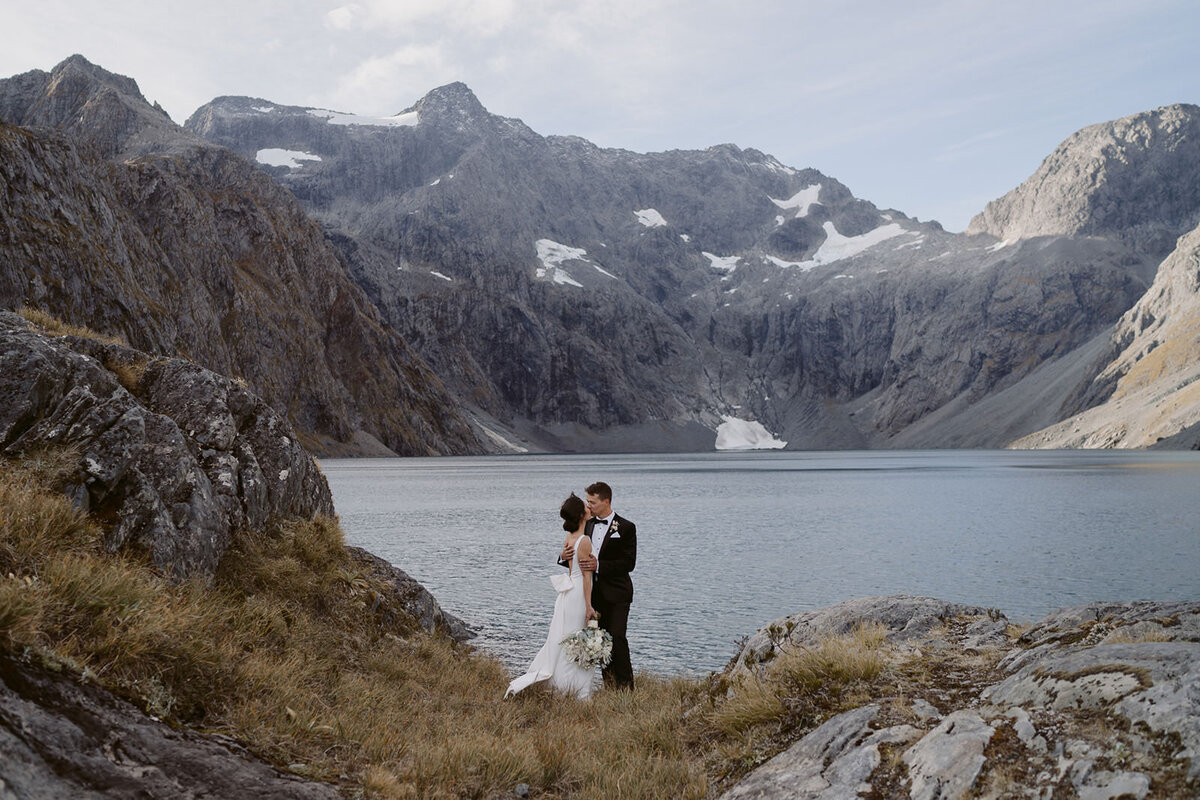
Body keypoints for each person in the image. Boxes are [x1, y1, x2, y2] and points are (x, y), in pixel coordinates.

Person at [505, 494, 598, 700]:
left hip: (566, 595)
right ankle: (573, 690)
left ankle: (562, 686)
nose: (589, 507)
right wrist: (589, 606)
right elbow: (586, 577)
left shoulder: (570, 538)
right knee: (577, 640)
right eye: (586, 505)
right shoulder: (584, 541)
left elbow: (571, 565)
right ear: (582, 514)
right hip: (577, 596)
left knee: (564, 638)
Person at [562, 481, 636, 690]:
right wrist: (562, 556)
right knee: (599, 640)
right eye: (587, 502)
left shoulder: (626, 527)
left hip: (617, 594)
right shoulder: (588, 524)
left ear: (606, 501)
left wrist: (599, 565)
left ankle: (626, 688)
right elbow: (574, 546)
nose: (588, 506)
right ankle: (609, 685)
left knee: (617, 638)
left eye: (592, 502)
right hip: (592, 596)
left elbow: (629, 563)